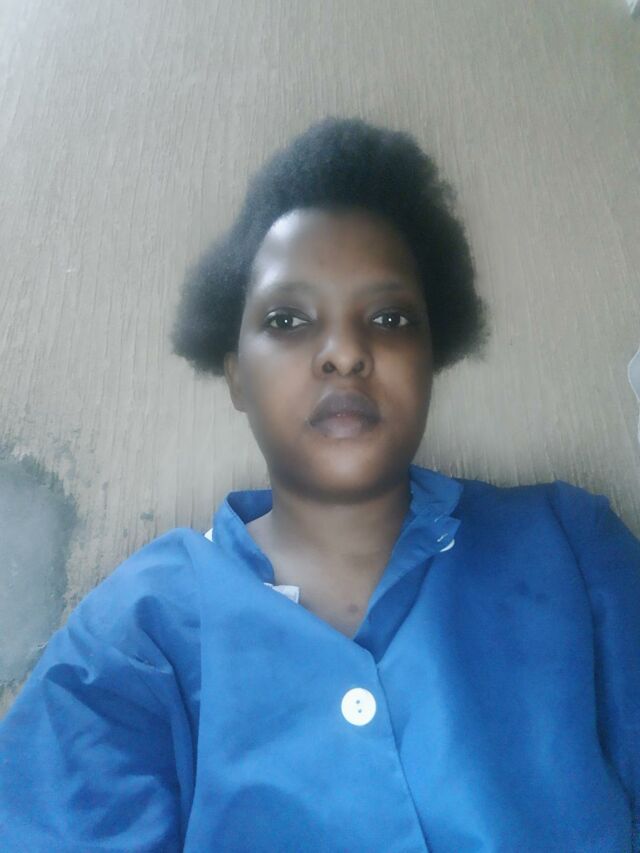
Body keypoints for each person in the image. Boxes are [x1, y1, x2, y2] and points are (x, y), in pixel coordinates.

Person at [0, 116, 638, 852]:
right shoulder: (134, 637)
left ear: (431, 358)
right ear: (236, 377)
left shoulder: (571, 546)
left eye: (389, 317)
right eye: (288, 319)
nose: (344, 351)